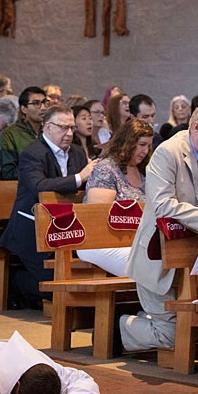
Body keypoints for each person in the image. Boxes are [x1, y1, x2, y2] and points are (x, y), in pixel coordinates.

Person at [120, 100, 198, 352]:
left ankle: (147, 325)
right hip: (159, 257)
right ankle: (118, 329)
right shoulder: (168, 152)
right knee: (176, 337)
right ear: (195, 127)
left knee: (197, 332)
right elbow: (163, 205)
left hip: (196, 257)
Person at [0, 105, 96, 309]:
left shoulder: (77, 153)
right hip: (32, 232)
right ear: (47, 127)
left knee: (79, 286)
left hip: (65, 230)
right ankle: (15, 284)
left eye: (72, 127)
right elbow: (39, 187)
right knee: (55, 290)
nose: (69, 133)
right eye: (63, 127)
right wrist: (80, 177)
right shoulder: (32, 153)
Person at [76, 119, 153, 277]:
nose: (145, 151)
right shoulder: (106, 169)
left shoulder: (144, 171)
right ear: (128, 142)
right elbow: (98, 217)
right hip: (98, 241)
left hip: (133, 240)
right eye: (141, 144)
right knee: (147, 264)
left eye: (148, 145)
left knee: (166, 258)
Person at [0, 86, 47, 181]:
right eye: (36, 103)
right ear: (24, 109)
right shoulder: (10, 134)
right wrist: (37, 173)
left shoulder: (49, 131)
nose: (43, 108)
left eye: (45, 103)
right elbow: (9, 171)